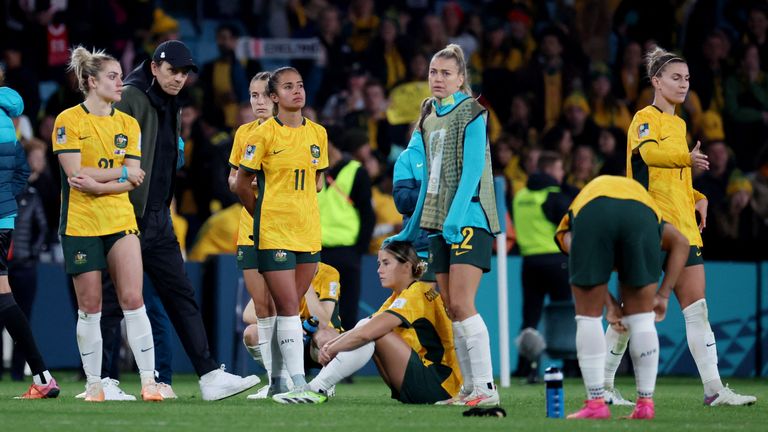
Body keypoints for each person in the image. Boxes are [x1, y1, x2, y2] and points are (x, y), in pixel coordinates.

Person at [101, 40, 259, 400]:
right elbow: (109, 149)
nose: (179, 78)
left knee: (180, 295)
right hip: (127, 214)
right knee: (114, 299)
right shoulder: (130, 97)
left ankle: (208, 376)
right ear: (155, 67)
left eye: (185, 73)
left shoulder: (169, 99)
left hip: (157, 215)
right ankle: (105, 381)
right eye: (173, 71)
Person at [615, 46, 757, 407]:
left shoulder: (679, 124)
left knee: (698, 309)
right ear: (656, 81)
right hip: (650, 224)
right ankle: (602, 387)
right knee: (633, 311)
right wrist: (686, 159)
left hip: (683, 227)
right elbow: (648, 157)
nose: (684, 84)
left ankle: (714, 389)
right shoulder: (643, 118)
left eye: (688, 78)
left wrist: (696, 194)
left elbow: (672, 176)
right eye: (676, 78)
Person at [390, 44, 501, 406]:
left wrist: (454, 218)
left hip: (468, 218)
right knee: (452, 308)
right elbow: (429, 182)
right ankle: (468, 388)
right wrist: (411, 230)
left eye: (445, 73)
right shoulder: (429, 118)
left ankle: (486, 388)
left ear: (460, 78)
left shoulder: (472, 111)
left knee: (464, 304)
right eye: (433, 72)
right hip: (438, 224)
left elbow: (473, 170)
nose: (437, 79)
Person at [52, 46, 161, 402]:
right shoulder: (68, 120)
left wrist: (99, 183)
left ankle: (149, 383)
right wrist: (118, 174)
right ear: (91, 81)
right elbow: (75, 173)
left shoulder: (127, 123)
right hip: (81, 223)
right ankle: (95, 385)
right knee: (92, 306)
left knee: (133, 298)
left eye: (120, 75)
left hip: (119, 218)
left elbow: (136, 179)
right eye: (113, 77)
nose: (120, 83)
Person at [554, 175, 690, 419]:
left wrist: (608, 305)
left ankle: (596, 403)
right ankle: (645, 404)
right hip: (640, 213)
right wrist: (663, 295)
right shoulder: (655, 218)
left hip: (594, 209)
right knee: (642, 320)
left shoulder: (568, 226)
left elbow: (580, 258)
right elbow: (682, 242)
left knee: (588, 318)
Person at [234, 66, 328, 401]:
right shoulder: (260, 135)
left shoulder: (318, 133)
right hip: (272, 231)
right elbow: (240, 183)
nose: (297, 91)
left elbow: (317, 181)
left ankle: (276, 381)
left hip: (307, 231)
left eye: (300, 85)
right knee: (283, 306)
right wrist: (259, 213)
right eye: (288, 87)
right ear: (277, 97)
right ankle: (297, 383)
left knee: (290, 303)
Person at [272, 241, 461, 405]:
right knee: (367, 326)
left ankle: (315, 388)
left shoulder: (417, 292)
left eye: (386, 263)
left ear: (407, 266)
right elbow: (364, 327)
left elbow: (366, 332)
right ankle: (314, 387)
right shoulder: (399, 295)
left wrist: (330, 348)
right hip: (427, 382)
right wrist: (333, 344)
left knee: (373, 333)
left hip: (440, 385)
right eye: (379, 264)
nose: (379, 270)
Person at [0, 68, 59, 399]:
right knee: (4, 297)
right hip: (4, 219)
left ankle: (42, 374)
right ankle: (43, 375)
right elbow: (22, 171)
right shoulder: (9, 121)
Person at [226, 71, 279, 399]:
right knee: (262, 308)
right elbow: (233, 179)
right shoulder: (244, 133)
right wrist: (244, 184)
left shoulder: (290, 133)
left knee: (283, 305)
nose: (258, 102)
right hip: (250, 230)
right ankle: (275, 380)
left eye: (263, 95)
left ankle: (293, 376)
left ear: (276, 98)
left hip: (283, 230)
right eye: (253, 95)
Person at [511, 151, 573, 381]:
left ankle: (527, 366)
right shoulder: (555, 196)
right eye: (559, 168)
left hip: (530, 262)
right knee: (566, 313)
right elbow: (570, 227)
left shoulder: (520, 196)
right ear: (549, 171)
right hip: (557, 261)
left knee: (530, 317)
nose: (562, 173)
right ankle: (571, 365)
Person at [242, 261, 343, 399]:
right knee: (251, 333)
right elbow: (248, 314)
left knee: (326, 336)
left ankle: (325, 382)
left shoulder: (328, 272)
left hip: (315, 342)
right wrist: (288, 325)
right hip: (287, 338)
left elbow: (323, 321)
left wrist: (304, 282)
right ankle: (281, 380)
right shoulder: (277, 272)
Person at [317, 129, 374, 333]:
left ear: (332, 145)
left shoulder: (356, 171)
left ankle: (345, 361)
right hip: (317, 253)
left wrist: (358, 251)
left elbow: (368, 214)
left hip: (346, 253)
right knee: (316, 315)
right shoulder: (312, 172)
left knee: (347, 314)